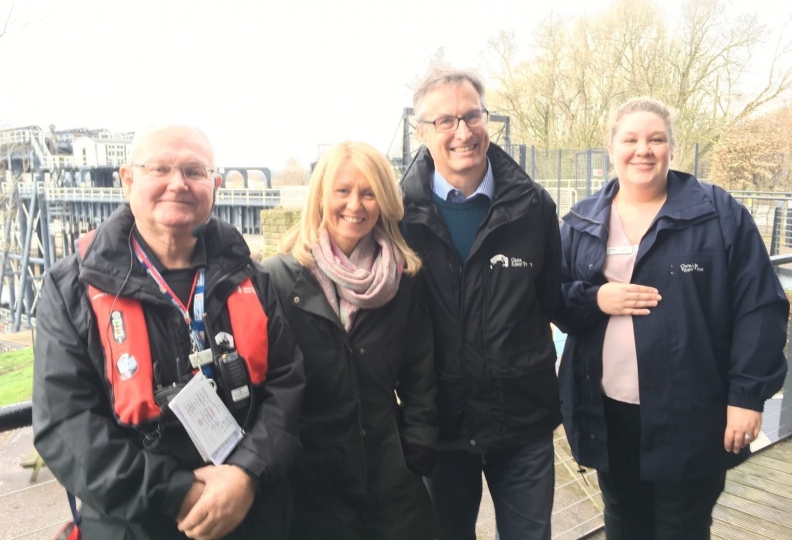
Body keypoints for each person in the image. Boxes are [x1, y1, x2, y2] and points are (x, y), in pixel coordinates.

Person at [33, 125, 305, 540]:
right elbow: (65, 424)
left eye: (194, 172)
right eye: (159, 168)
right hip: (136, 524)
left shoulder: (248, 275)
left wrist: (247, 474)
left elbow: (287, 383)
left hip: (251, 515)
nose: (177, 184)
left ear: (214, 185)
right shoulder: (71, 287)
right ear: (127, 179)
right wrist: (178, 494)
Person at [556, 97, 789, 540]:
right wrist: (596, 299)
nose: (643, 149)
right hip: (609, 411)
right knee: (623, 521)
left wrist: (747, 397)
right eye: (631, 139)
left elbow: (759, 307)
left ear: (671, 148)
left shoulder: (718, 215)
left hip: (691, 412)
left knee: (682, 526)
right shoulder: (582, 221)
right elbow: (556, 299)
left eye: (656, 139)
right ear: (612, 148)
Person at [399, 67, 562, 540]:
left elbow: (554, 299)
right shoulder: (396, 215)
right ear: (421, 131)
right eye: (445, 121)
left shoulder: (534, 207)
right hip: (440, 425)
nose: (463, 132)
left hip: (523, 421)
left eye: (472, 116)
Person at [263, 141, 439, 540]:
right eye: (343, 191)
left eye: (368, 192)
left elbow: (419, 372)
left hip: (389, 471)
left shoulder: (403, 277)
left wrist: (417, 448)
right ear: (322, 195)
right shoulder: (277, 278)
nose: (355, 205)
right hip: (311, 476)